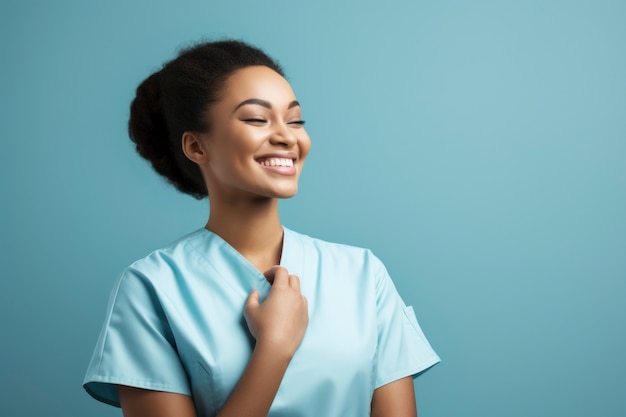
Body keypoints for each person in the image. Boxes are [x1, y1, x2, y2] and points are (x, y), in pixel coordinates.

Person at [83, 39, 440, 417]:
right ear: (196, 147)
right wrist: (274, 349)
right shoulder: (152, 287)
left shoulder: (364, 275)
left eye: (295, 120)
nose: (287, 136)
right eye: (256, 118)